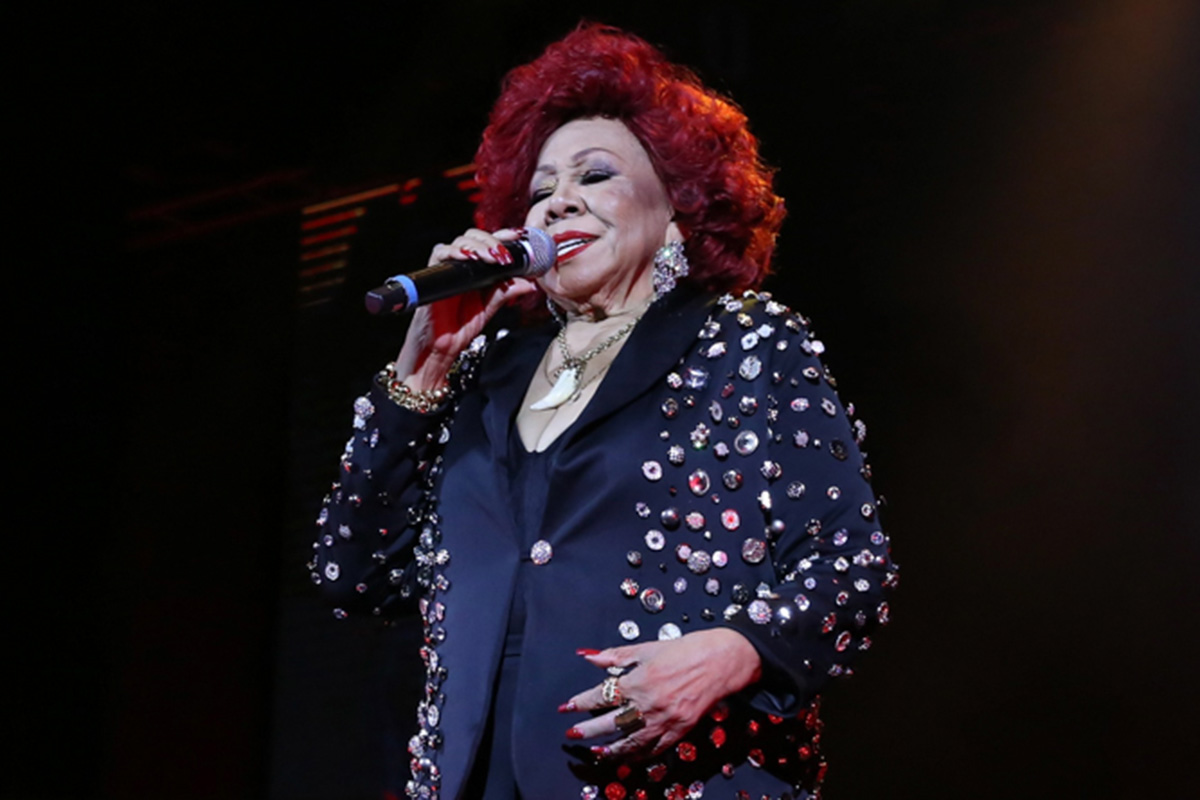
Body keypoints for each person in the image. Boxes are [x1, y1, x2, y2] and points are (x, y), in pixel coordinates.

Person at [312, 23, 896, 800]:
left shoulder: (743, 344)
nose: (560, 202)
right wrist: (421, 372)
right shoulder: (484, 374)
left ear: (679, 207)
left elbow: (849, 566)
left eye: (595, 175)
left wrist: (734, 651)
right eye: (540, 190)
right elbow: (352, 576)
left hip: (670, 774)